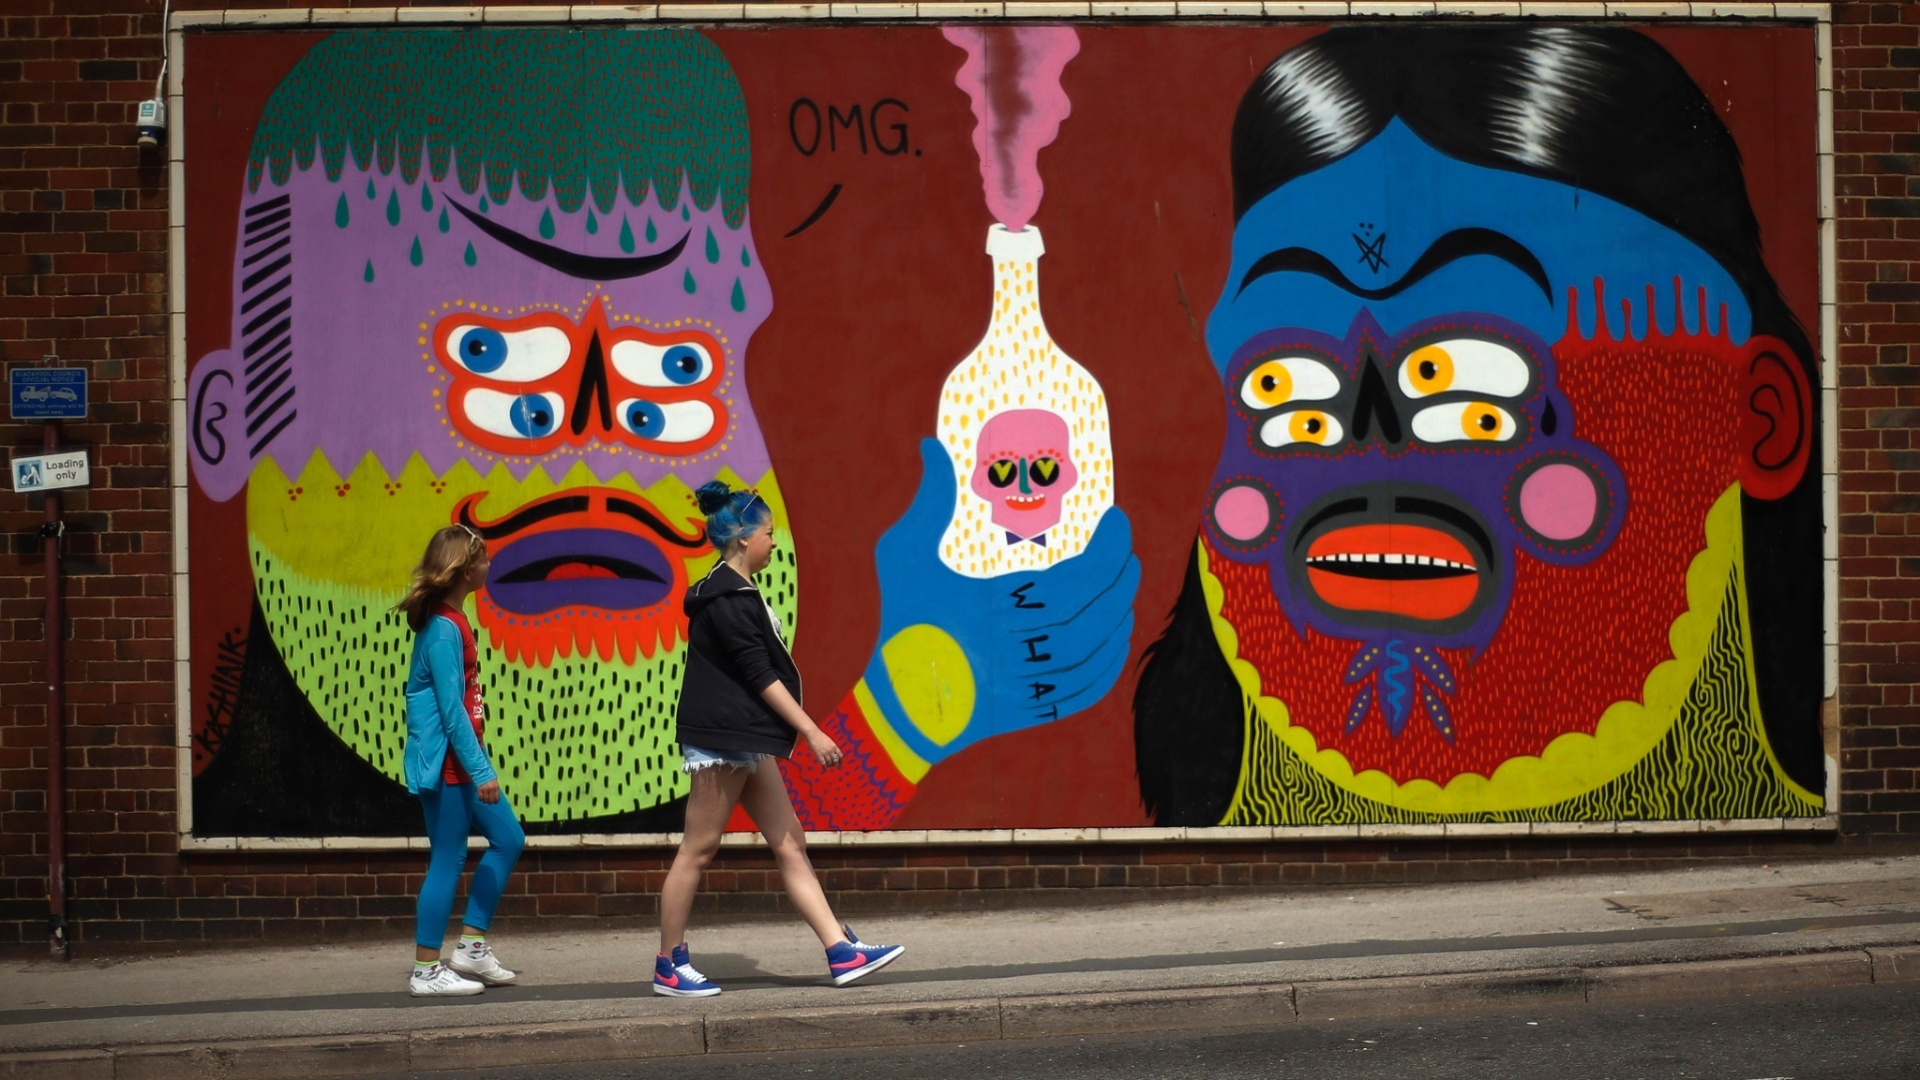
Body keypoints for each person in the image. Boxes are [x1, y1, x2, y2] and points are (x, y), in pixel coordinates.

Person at [654, 482, 905, 997]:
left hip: (744, 737)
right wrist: (810, 731)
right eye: (768, 533)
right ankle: (668, 965)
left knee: (790, 842)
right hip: (722, 740)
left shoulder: (738, 590)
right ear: (744, 538)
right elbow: (759, 675)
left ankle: (840, 951)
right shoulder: (727, 598)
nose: (774, 542)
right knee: (698, 850)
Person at [396, 524, 527, 997]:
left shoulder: (455, 620)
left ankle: (471, 947)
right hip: (450, 764)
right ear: (465, 570)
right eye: (483, 559)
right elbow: (451, 710)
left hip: (463, 759)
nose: (490, 565)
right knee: (448, 858)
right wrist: (481, 769)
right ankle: (426, 970)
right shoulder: (443, 629)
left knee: (508, 838)